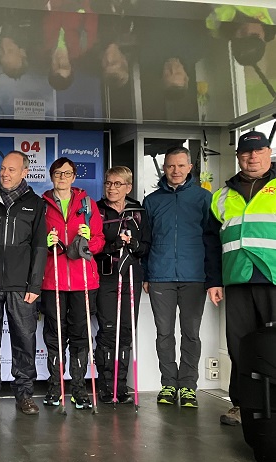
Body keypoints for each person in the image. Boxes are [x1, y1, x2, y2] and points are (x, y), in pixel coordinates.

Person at [143, 146, 222, 408]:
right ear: (164, 168)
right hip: (160, 275)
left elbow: (212, 241)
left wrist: (213, 279)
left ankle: (188, 386)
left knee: (191, 333)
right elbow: (146, 240)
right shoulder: (152, 201)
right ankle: (168, 384)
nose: (175, 171)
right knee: (164, 333)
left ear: (190, 168)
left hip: (194, 276)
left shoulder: (203, 198)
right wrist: (146, 273)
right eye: (170, 166)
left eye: (180, 166)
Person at [211, 131, 276, 426]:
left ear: (268, 152)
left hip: (273, 277)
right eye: (246, 152)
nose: (252, 157)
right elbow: (213, 243)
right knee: (240, 345)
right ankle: (243, 405)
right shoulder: (222, 196)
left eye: (258, 151)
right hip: (238, 278)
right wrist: (214, 280)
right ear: (238, 157)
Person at [0, 151, 47, 415]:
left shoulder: (35, 204)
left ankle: (24, 392)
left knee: (24, 340)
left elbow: (40, 248)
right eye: (3, 168)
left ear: (24, 173)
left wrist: (35, 286)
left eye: (12, 170)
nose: (5, 174)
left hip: (22, 288)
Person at [41, 157, 105, 410]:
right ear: (51, 176)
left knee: (80, 336)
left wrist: (89, 241)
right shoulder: (42, 204)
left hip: (82, 281)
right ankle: (56, 387)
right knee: (55, 336)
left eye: (67, 173)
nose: (62, 177)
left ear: (74, 176)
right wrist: (47, 242)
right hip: (53, 279)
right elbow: (35, 242)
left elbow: (100, 240)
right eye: (58, 173)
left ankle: (79, 389)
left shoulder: (88, 204)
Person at [95, 166, 151, 404]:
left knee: (126, 332)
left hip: (131, 276)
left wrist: (133, 244)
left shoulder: (138, 211)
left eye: (118, 184)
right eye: (108, 183)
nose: (112, 188)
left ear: (128, 187)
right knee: (108, 330)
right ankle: (106, 385)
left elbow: (146, 246)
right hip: (106, 276)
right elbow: (93, 247)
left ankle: (121, 384)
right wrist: (113, 244)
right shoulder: (97, 210)